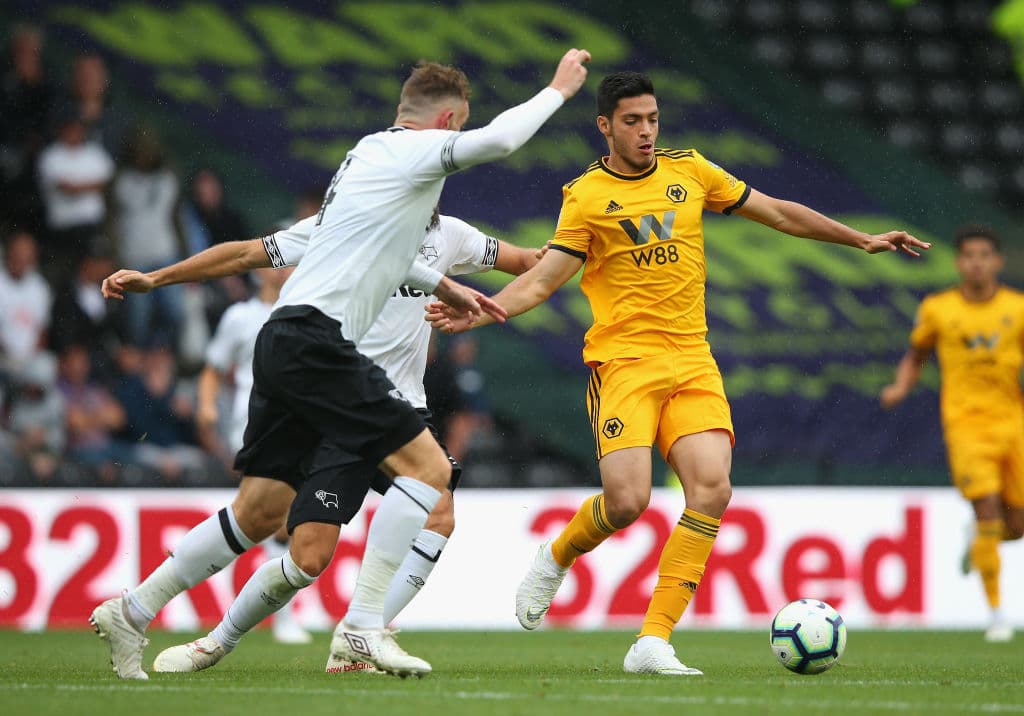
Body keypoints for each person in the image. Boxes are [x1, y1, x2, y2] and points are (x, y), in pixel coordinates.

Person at [91, 50, 590, 680]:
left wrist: (156, 277)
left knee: (259, 513)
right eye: (458, 127)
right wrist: (558, 89)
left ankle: (133, 610)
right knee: (430, 471)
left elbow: (277, 252)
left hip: (285, 340)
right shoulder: (411, 151)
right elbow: (502, 141)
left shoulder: (364, 170)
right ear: (445, 121)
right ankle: (361, 628)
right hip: (321, 346)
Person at [427, 71, 929, 675]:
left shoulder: (689, 170)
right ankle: (558, 554)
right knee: (627, 502)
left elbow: (777, 212)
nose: (646, 131)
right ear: (605, 126)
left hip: (692, 359)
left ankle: (653, 641)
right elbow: (543, 279)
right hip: (624, 363)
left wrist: (861, 239)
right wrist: (483, 311)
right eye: (632, 121)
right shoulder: (586, 196)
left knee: (712, 490)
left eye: (653, 119)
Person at [149, 211, 541, 674]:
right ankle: (217, 641)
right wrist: (157, 278)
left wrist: (577, 246)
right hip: (347, 404)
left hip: (404, 411)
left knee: (440, 513)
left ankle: (361, 634)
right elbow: (245, 254)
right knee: (307, 559)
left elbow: (526, 262)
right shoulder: (347, 222)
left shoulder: (451, 235)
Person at [880, 224, 1023, 643]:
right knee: (988, 509)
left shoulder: (1017, 307)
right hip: (966, 425)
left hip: (1012, 423)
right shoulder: (938, 308)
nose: (977, 263)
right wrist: (900, 387)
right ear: (959, 262)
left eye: (984, 255)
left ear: (997, 261)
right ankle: (997, 615)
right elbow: (917, 354)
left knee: (1016, 524)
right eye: (969, 256)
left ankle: (976, 539)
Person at [196, 262, 312, 644]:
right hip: (252, 425)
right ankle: (281, 618)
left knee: (265, 520)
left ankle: (191, 559)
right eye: (278, 263)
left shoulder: (310, 311)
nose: (284, 270)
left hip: (299, 424)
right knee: (279, 519)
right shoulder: (240, 317)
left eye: (292, 263)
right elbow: (213, 368)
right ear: (260, 271)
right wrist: (207, 406)